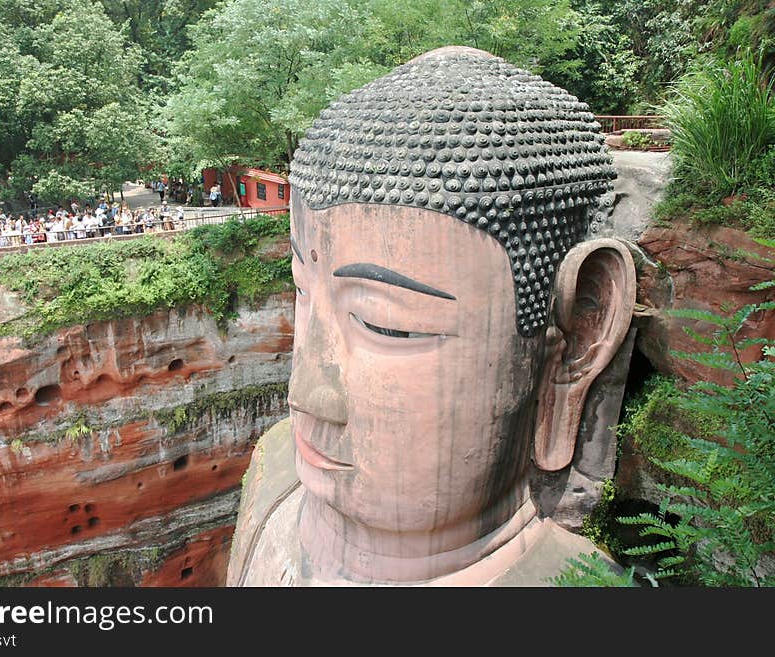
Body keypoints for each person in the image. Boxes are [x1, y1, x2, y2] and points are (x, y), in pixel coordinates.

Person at [227, 47, 635, 587]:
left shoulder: (578, 587)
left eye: (385, 324)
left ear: (579, 337)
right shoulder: (276, 469)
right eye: (302, 294)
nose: (303, 394)